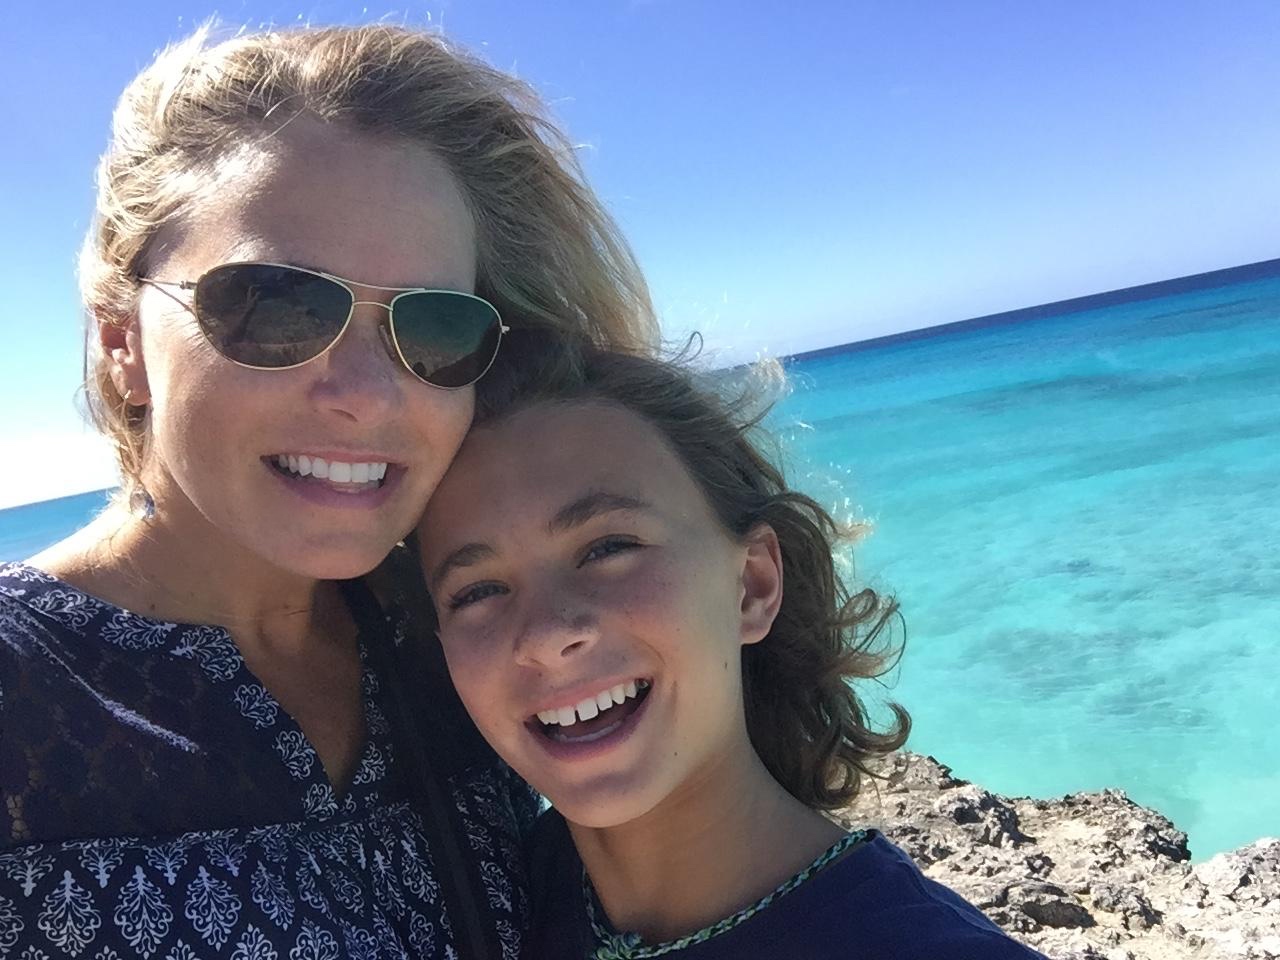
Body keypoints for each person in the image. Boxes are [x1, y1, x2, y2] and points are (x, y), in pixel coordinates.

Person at [0, 22, 654, 960]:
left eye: (433, 328)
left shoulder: (473, 646)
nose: (368, 395)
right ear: (122, 342)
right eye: (276, 305)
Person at [417, 347, 1049, 959]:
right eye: (476, 592)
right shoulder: (485, 902)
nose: (546, 636)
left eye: (608, 548)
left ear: (752, 585)